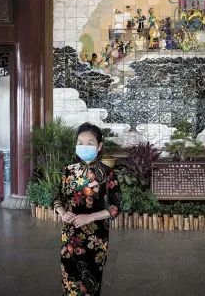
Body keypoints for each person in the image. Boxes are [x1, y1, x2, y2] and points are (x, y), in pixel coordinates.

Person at [54, 122, 123, 296]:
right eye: (80, 142)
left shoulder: (107, 173)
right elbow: (57, 199)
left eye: (90, 143)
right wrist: (63, 212)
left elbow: (116, 207)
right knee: (69, 279)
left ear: (99, 146)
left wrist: (90, 217)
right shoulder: (68, 171)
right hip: (70, 235)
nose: (84, 146)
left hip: (95, 238)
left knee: (91, 282)